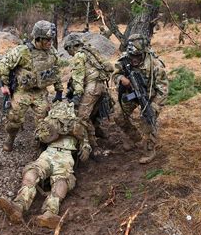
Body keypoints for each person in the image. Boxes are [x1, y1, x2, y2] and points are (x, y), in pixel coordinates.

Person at [0, 100, 92, 229]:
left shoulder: (78, 124)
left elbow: (86, 141)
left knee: (61, 181)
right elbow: (39, 137)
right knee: (32, 172)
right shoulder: (48, 121)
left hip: (65, 156)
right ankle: (18, 206)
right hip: (48, 153)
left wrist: (85, 148)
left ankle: (50, 213)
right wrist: (52, 130)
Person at [0, 20, 63, 152]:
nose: (50, 42)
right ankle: (10, 138)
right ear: (38, 38)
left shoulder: (52, 52)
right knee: (14, 118)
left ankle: (41, 144)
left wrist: (59, 90)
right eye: (47, 39)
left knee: (43, 120)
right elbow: (4, 65)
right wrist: (4, 85)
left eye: (51, 39)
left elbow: (55, 71)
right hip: (23, 91)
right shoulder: (23, 51)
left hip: (41, 92)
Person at [113, 33, 168, 164]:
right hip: (132, 94)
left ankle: (149, 150)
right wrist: (122, 79)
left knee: (148, 119)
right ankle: (134, 137)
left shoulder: (156, 65)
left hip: (150, 97)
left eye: (137, 56)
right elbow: (115, 74)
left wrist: (154, 106)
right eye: (132, 56)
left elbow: (163, 91)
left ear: (144, 52)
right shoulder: (125, 59)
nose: (134, 59)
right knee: (118, 114)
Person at [64, 33, 114, 152]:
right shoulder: (90, 51)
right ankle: (99, 132)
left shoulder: (79, 56)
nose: (68, 53)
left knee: (82, 117)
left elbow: (78, 78)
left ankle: (93, 147)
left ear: (72, 46)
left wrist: (77, 96)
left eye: (67, 49)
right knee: (92, 113)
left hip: (92, 88)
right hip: (101, 87)